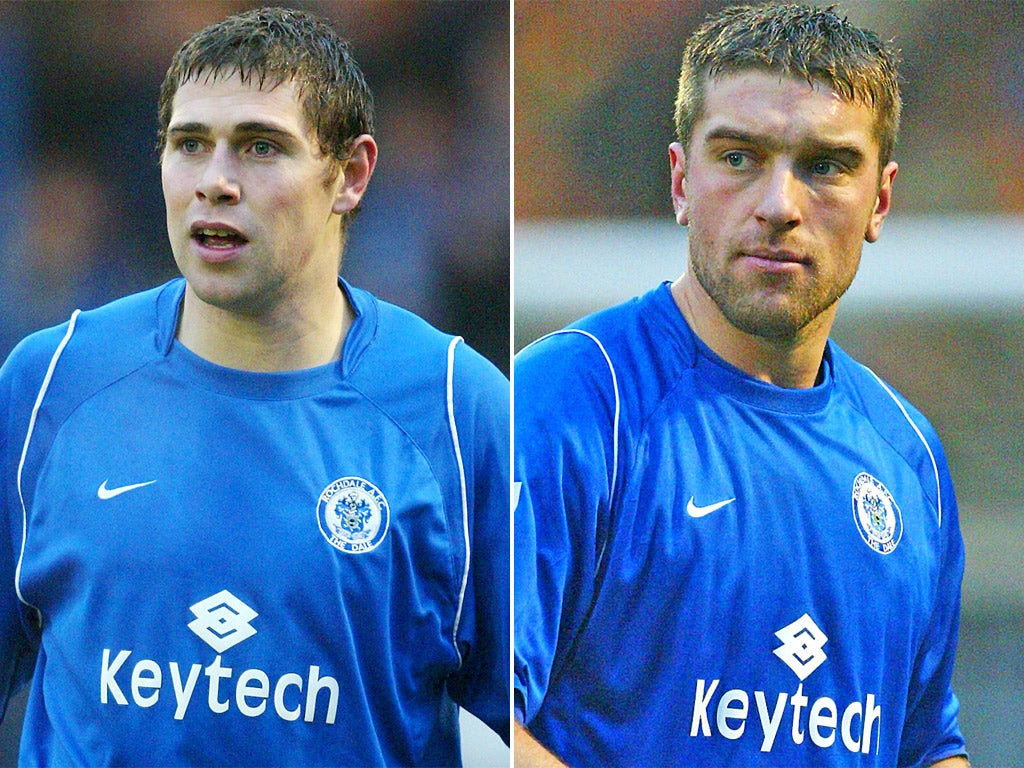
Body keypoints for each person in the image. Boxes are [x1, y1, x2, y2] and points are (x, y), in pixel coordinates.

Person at [0, 7, 509, 765]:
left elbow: (559, 721)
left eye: (261, 147)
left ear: (351, 173)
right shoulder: (49, 384)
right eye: (189, 145)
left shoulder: (456, 409)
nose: (215, 182)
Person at [514, 4, 969, 766]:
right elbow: (471, 717)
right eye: (738, 157)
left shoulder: (908, 456)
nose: (779, 207)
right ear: (681, 180)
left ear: (880, 201)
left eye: (825, 165)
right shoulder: (572, 404)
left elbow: (926, 742)